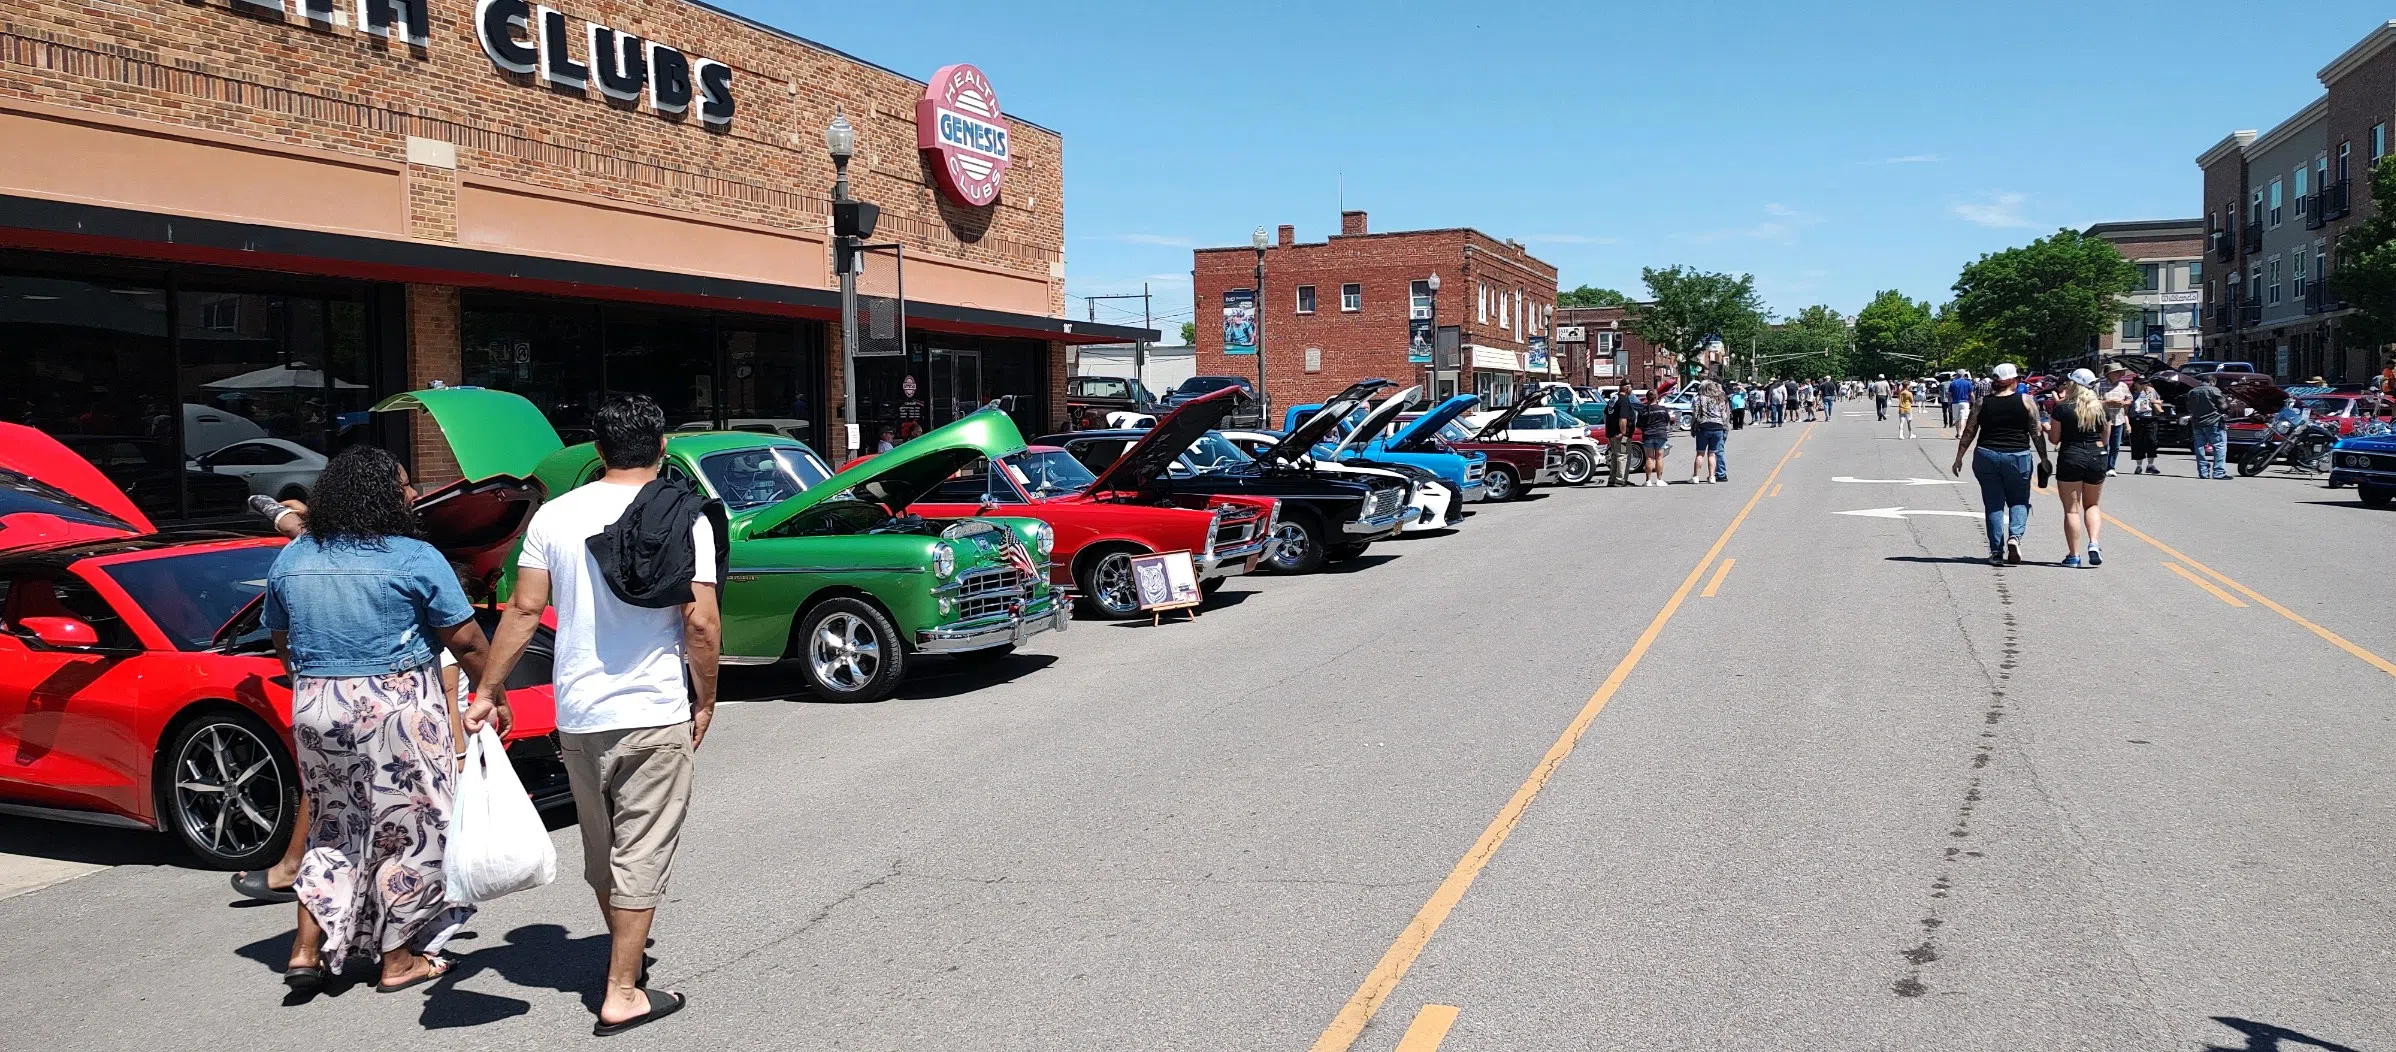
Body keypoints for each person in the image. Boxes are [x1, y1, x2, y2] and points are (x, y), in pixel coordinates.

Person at [479, 393, 719, 1036]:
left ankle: (626, 960)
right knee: (642, 848)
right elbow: (700, 621)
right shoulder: (682, 515)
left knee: (604, 849)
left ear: (597, 450)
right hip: (653, 707)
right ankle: (621, 990)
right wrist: (706, 695)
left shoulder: (553, 517)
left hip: (580, 712)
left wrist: (489, 688)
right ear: (663, 446)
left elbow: (524, 611)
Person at [266, 447, 492, 993]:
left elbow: (281, 641)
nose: (413, 496)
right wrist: (492, 689)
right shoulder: (412, 555)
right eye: (404, 486)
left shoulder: (294, 557)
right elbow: (463, 638)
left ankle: (303, 950)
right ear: (381, 496)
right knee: (409, 831)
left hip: (316, 705)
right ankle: (398, 958)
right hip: (393, 707)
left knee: (333, 825)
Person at [1951, 363, 2050, 567]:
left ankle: (1996, 551)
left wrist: (1959, 457)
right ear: (2014, 380)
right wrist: (2044, 458)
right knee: (2019, 500)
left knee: (1993, 504)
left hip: (1986, 454)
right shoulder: (2026, 401)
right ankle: (2015, 537)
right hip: (2018, 455)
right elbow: (2036, 432)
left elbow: (1970, 431)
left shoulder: (1981, 402)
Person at [2047, 369, 2109, 567]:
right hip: (2096, 456)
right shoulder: (2100, 409)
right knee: (2092, 505)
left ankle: (2074, 555)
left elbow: (2054, 439)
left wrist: (2048, 429)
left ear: (2073, 384)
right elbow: (2104, 439)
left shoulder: (2062, 409)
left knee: (2072, 511)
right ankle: (2094, 543)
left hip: (2071, 455)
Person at [2184, 373, 2230, 480]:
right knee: (2219, 446)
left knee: (2199, 448)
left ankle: (2203, 472)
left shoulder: (2192, 392)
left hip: (2197, 422)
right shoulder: (2214, 390)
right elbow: (2223, 406)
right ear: (2212, 381)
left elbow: (2188, 407)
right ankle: (2219, 472)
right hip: (2213, 422)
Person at [1690, 382, 1728, 484]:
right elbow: (1724, 415)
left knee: (1700, 453)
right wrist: (1724, 426)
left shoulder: (1700, 399)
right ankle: (1712, 477)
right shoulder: (1720, 399)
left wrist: (1693, 426)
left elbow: (1695, 414)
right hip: (1717, 427)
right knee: (1712, 454)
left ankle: (1696, 476)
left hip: (1704, 426)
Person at [2100, 365, 2133, 477]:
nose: (2120, 375)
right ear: (2109, 373)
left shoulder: (2123, 386)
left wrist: (2123, 403)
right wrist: (2107, 402)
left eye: (2121, 372)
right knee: (2104, 444)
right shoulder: (2100, 385)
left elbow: (2129, 400)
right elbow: (2093, 400)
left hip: (2118, 418)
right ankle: (2102, 466)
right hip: (2103, 419)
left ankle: (2111, 467)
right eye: (2117, 372)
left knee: (2116, 445)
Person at [1604, 386, 1640, 487]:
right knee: (1622, 456)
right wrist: (1623, 432)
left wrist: (1608, 428)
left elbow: (1605, 414)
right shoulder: (1624, 400)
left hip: (1611, 433)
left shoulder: (1614, 399)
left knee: (1615, 456)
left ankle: (1612, 479)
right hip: (1621, 435)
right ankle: (1620, 480)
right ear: (1627, 389)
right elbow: (1623, 417)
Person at [2128, 378, 2163, 474]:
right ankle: (2138, 465)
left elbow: (2160, 401)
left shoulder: (2150, 391)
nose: (2144, 385)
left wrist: (2154, 400)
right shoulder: (2131, 393)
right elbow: (2127, 407)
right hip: (2136, 419)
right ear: (2136, 384)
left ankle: (2150, 465)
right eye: (2141, 383)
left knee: (2151, 441)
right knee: (2137, 443)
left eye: (2145, 383)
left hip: (2150, 418)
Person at [1640, 393, 1676, 486]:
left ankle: (1648, 481)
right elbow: (1667, 421)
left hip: (1648, 435)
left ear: (1647, 398)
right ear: (1656, 398)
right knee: (1659, 457)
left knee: (1649, 457)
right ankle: (1659, 479)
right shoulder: (1663, 409)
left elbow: (1639, 424)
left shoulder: (1643, 411)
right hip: (1660, 434)